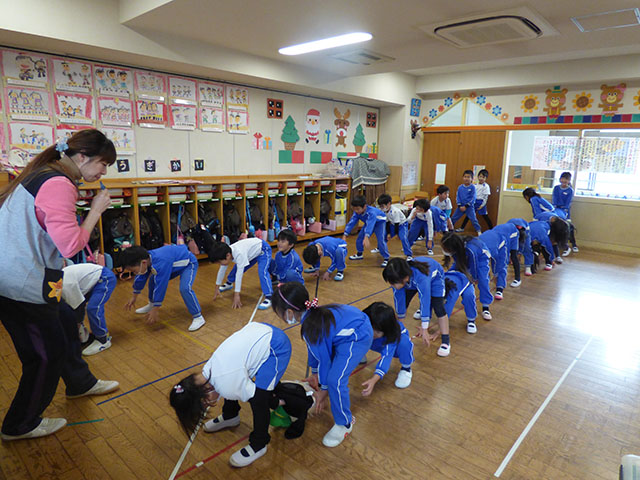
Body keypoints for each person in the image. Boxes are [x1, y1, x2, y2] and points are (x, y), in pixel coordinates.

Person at [0, 129, 120, 440]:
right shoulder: (58, 184)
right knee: (45, 355)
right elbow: (70, 245)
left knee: (67, 321)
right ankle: (19, 424)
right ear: (81, 157)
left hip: (32, 278)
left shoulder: (46, 174)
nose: (104, 172)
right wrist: (95, 211)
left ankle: (79, 382)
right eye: (103, 164)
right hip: (21, 285)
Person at [169, 321, 292, 467]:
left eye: (205, 405)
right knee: (230, 388)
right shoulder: (208, 371)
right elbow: (230, 384)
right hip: (260, 330)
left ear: (204, 398)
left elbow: (256, 398)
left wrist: (274, 402)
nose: (208, 406)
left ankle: (259, 444)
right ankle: (230, 416)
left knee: (259, 399)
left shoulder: (226, 384)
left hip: (277, 347)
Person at [271, 282, 373, 447]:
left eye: (278, 313)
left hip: (358, 336)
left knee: (335, 381)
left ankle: (344, 423)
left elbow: (324, 360)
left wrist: (324, 390)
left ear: (289, 312)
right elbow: (315, 350)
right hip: (352, 328)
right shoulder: (312, 317)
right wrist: (315, 373)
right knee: (329, 373)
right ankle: (350, 359)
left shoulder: (312, 327)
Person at [122, 245, 206, 331]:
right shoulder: (147, 259)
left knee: (185, 288)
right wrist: (134, 297)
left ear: (143, 262)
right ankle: (151, 304)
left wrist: (156, 309)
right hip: (172, 265)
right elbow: (141, 277)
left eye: (134, 271)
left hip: (188, 263)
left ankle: (198, 317)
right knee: (152, 280)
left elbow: (161, 285)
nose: (135, 273)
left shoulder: (161, 262)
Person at [382, 257, 451, 357]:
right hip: (412, 282)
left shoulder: (421, 276)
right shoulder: (397, 279)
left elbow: (425, 299)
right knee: (404, 303)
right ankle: (397, 335)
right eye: (391, 283)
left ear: (405, 277)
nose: (393, 285)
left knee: (439, 308)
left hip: (435, 278)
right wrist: (399, 329)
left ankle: (446, 341)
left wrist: (425, 327)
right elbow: (399, 303)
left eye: (394, 283)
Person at [61, 262, 116, 355]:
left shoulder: (66, 285)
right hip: (87, 282)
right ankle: (82, 334)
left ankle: (103, 340)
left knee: (93, 308)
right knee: (69, 310)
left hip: (104, 277)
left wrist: (78, 323)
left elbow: (79, 305)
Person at [360, 302, 414, 395]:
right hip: (376, 343)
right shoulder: (362, 323)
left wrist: (374, 379)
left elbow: (386, 357)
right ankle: (360, 353)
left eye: (377, 331)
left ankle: (406, 369)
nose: (371, 333)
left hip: (392, 346)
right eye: (369, 327)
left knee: (404, 343)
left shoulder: (392, 336)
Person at [440, 232, 493, 320]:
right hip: (465, 256)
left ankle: (485, 306)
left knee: (483, 281)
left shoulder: (471, 249)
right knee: (451, 274)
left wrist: (474, 278)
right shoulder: (456, 248)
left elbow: (474, 265)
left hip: (481, 258)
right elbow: (458, 263)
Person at [209, 237, 273, 310]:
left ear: (228, 255)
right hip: (251, 253)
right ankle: (229, 283)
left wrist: (237, 295)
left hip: (263, 249)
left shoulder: (239, 254)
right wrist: (217, 287)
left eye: (220, 262)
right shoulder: (226, 252)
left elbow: (239, 276)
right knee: (236, 268)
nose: (220, 264)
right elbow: (222, 270)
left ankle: (269, 297)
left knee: (262, 272)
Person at [343, 195, 389, 267]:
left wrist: (367, 236)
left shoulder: (371, 212)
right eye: (354, 209)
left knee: (381, 240)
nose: (356, 211)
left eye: (357, 209)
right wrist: (345, 234)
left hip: (380, 222)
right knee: (360, 238)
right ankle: (359, 254)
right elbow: (352, 222)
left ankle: (386, 258)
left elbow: (370, 224)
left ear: (364, 206)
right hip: (368, 222)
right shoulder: (357, 212)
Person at [377, 193, 412, 258]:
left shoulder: (395, 211)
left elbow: (397, 224)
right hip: (393, 224)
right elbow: (387, 223)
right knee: (383, 236)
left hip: (402, 225)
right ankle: (379, 248)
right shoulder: (384, 211)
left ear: (389, 204)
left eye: (382, 206)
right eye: (380, 206)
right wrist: (388, 233)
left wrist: (396, 234)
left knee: (403, 238)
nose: (381, 208)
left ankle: (409, 254)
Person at [478, 229, 509, 300]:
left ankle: (500, 289)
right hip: (486, 241)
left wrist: (495, 274)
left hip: (500, 243)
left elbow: (495, 261)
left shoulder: (493, 250)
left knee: (500, 266)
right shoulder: (474, 249)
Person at [552, 172, 579, 253]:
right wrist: (554, 207)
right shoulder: (556, 188)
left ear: (569, 181)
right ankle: (558, 245)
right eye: (562, 179)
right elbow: (554, 198)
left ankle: (574, 244)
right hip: (556, 210)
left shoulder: (570, 190)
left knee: (568, 226)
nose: (563, 182)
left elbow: (568, 203)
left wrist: (564, 210)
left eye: (566, 180)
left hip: (565, 211)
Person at [492, 222, 525, 287]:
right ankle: (498, 276)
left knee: (513, 256)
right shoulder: (494, 235)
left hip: (512, 234)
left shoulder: (509, 235)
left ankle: (517, 279)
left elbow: (505, 256)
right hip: (504, 234)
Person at [451, 170, 482, 234]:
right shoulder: (460, 187)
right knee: (453, 218)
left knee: (473, 220)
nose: (466, 178)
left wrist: (466, 206)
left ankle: (479, 231)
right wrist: (459, 205)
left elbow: (473, 198)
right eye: (465, 177)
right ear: (463, 177)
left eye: (468, 177)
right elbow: (458, 197)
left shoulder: (473, 187)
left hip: (469, 207)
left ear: (472, 179)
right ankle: (449, 230)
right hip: (460, 207)